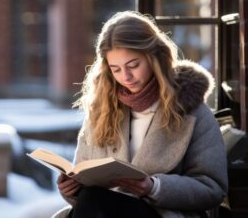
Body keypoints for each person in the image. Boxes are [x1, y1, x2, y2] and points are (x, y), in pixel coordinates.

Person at [52, 11, 228, 218]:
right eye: (115, 69)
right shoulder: (101, 111)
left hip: (159, 213)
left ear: (154, 58)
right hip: (100, 209)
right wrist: (73, 189)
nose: (126, 77)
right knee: (92, 197)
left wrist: (154, 187)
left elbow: (212, 188)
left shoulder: (192, 112)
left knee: (95, 200)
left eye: (133, 65)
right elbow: (85, 178)